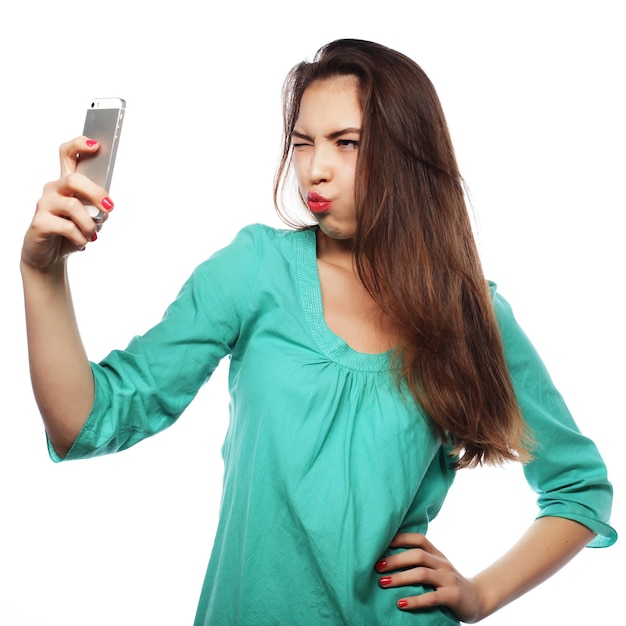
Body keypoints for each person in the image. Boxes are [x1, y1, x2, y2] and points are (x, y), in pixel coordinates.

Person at [21, 39, 616, 625]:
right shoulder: (256, 269)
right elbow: (84, 423)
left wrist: (480, 595)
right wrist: (42, 271)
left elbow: (579, 490)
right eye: (303, 143)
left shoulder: (471, 314)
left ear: (409, 153)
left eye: (346, 142)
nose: (316, 167)